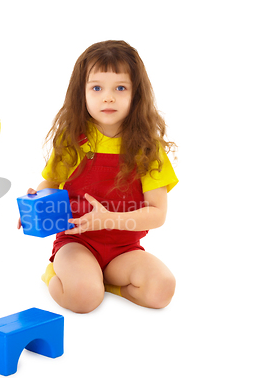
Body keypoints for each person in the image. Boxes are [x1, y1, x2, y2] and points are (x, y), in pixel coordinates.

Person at [17, 40, 178, 314]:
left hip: (124, 248)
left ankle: (107, 283)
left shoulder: (148, 148)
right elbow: (52, 184)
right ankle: (56, 275)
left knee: (162, 288)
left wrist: (111, 219)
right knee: (83, 298)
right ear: (82, 93)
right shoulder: (73, 140)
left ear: (136, 94)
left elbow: (158, 213)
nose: (108, 97)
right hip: (77, 241)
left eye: (120, 88)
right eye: (96, 88)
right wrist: (35, 204)